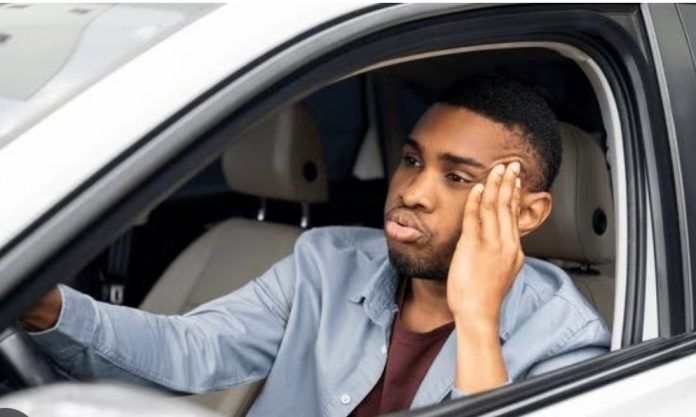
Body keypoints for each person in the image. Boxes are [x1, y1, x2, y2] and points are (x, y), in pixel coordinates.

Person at [22, 76, 610, 417]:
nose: (412, 192)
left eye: (456, 177)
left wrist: (477, 318)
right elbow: (191, 349)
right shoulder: (326, 263)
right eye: (411, 161)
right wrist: (47, 307)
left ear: (526, 213)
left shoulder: (564, 340)